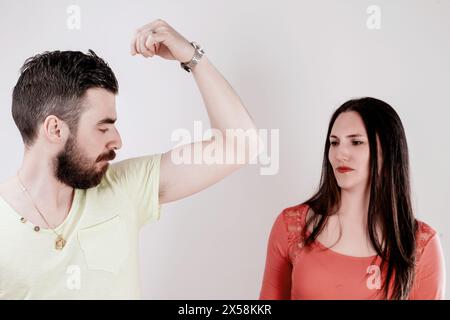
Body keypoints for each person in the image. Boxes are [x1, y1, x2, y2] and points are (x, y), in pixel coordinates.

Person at [0, 19, 257, 299]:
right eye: (102, 127)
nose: (117, 141)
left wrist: (191, 57)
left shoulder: (124, 186)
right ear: (55, 129)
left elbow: (239, 145)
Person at [259, 97, 446, 300]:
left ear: (388, 151)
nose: (341, 154)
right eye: (334, 142)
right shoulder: (291, 226)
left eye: (356, 142)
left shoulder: (419, 244)